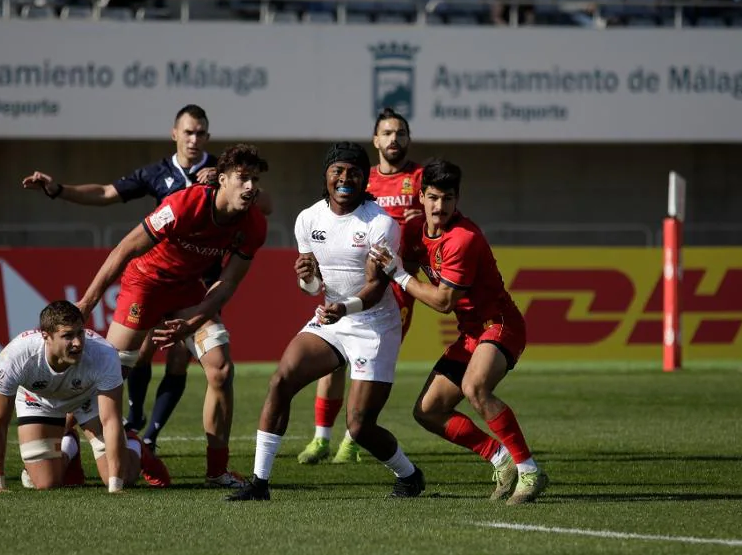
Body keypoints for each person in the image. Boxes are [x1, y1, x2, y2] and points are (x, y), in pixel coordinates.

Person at [224, 142, 425, 501]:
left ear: (365, 180)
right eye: (338, 171)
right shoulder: (308, 219)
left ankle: (409, 475)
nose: (345, 178)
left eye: (354, 172)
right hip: (332, 318)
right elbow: (313, 286)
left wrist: (342, 308)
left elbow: (378, 289)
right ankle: (260, 483)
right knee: (280, 381)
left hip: (373, 325)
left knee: (360, 427)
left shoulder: (380, 223)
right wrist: (307, 278)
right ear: (326, 176)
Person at [71, 143, 270, 487]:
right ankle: (66, 445)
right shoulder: (185, 204)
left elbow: (225, 284)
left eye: (255, 179)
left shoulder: (253, 225)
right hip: (144, 284)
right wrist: (86, 304)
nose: (251, 187)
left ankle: (216, 471)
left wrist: (192, 323)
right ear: (222, 180)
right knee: (108, 374)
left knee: (221, 369)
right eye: (242, 178)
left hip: (188, 290)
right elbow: (125, 248)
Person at [370, 158, 548, 505]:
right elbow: (396, 268)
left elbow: (442, 301)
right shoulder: (413, 231)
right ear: (421, 197)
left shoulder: (463, 239)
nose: (440, 207)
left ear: (457, 200)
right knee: (428, 410)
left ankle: (529, 470)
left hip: (500, 325)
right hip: (470, 334)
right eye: (434, 198)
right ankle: (501, 459)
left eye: (448, 199)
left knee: (475, 387)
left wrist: (399, 275)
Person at [298, 109, 423, 465]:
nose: (393, 139)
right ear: (376, 140)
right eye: (387, 133)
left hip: (394, 284)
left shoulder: (420, 178)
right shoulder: (358, 177)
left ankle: (354, 437)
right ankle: (321, 437)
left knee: (362, 359)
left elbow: (437, 219)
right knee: (332, 358)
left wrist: (421, 220)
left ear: (408, 139)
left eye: (400, 132)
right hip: (351, 276)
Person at [0, 301, 162, 493]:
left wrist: (115, 486)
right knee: (46, 484)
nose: (77, 343)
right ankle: (70, 444)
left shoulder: (103, 354)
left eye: (80, 333)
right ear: (46, 336)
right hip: (39, 399)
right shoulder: (15, 357)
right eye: (68, 336)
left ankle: (134, 444)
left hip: (88, 397)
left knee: (124, 476)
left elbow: (111, 420)